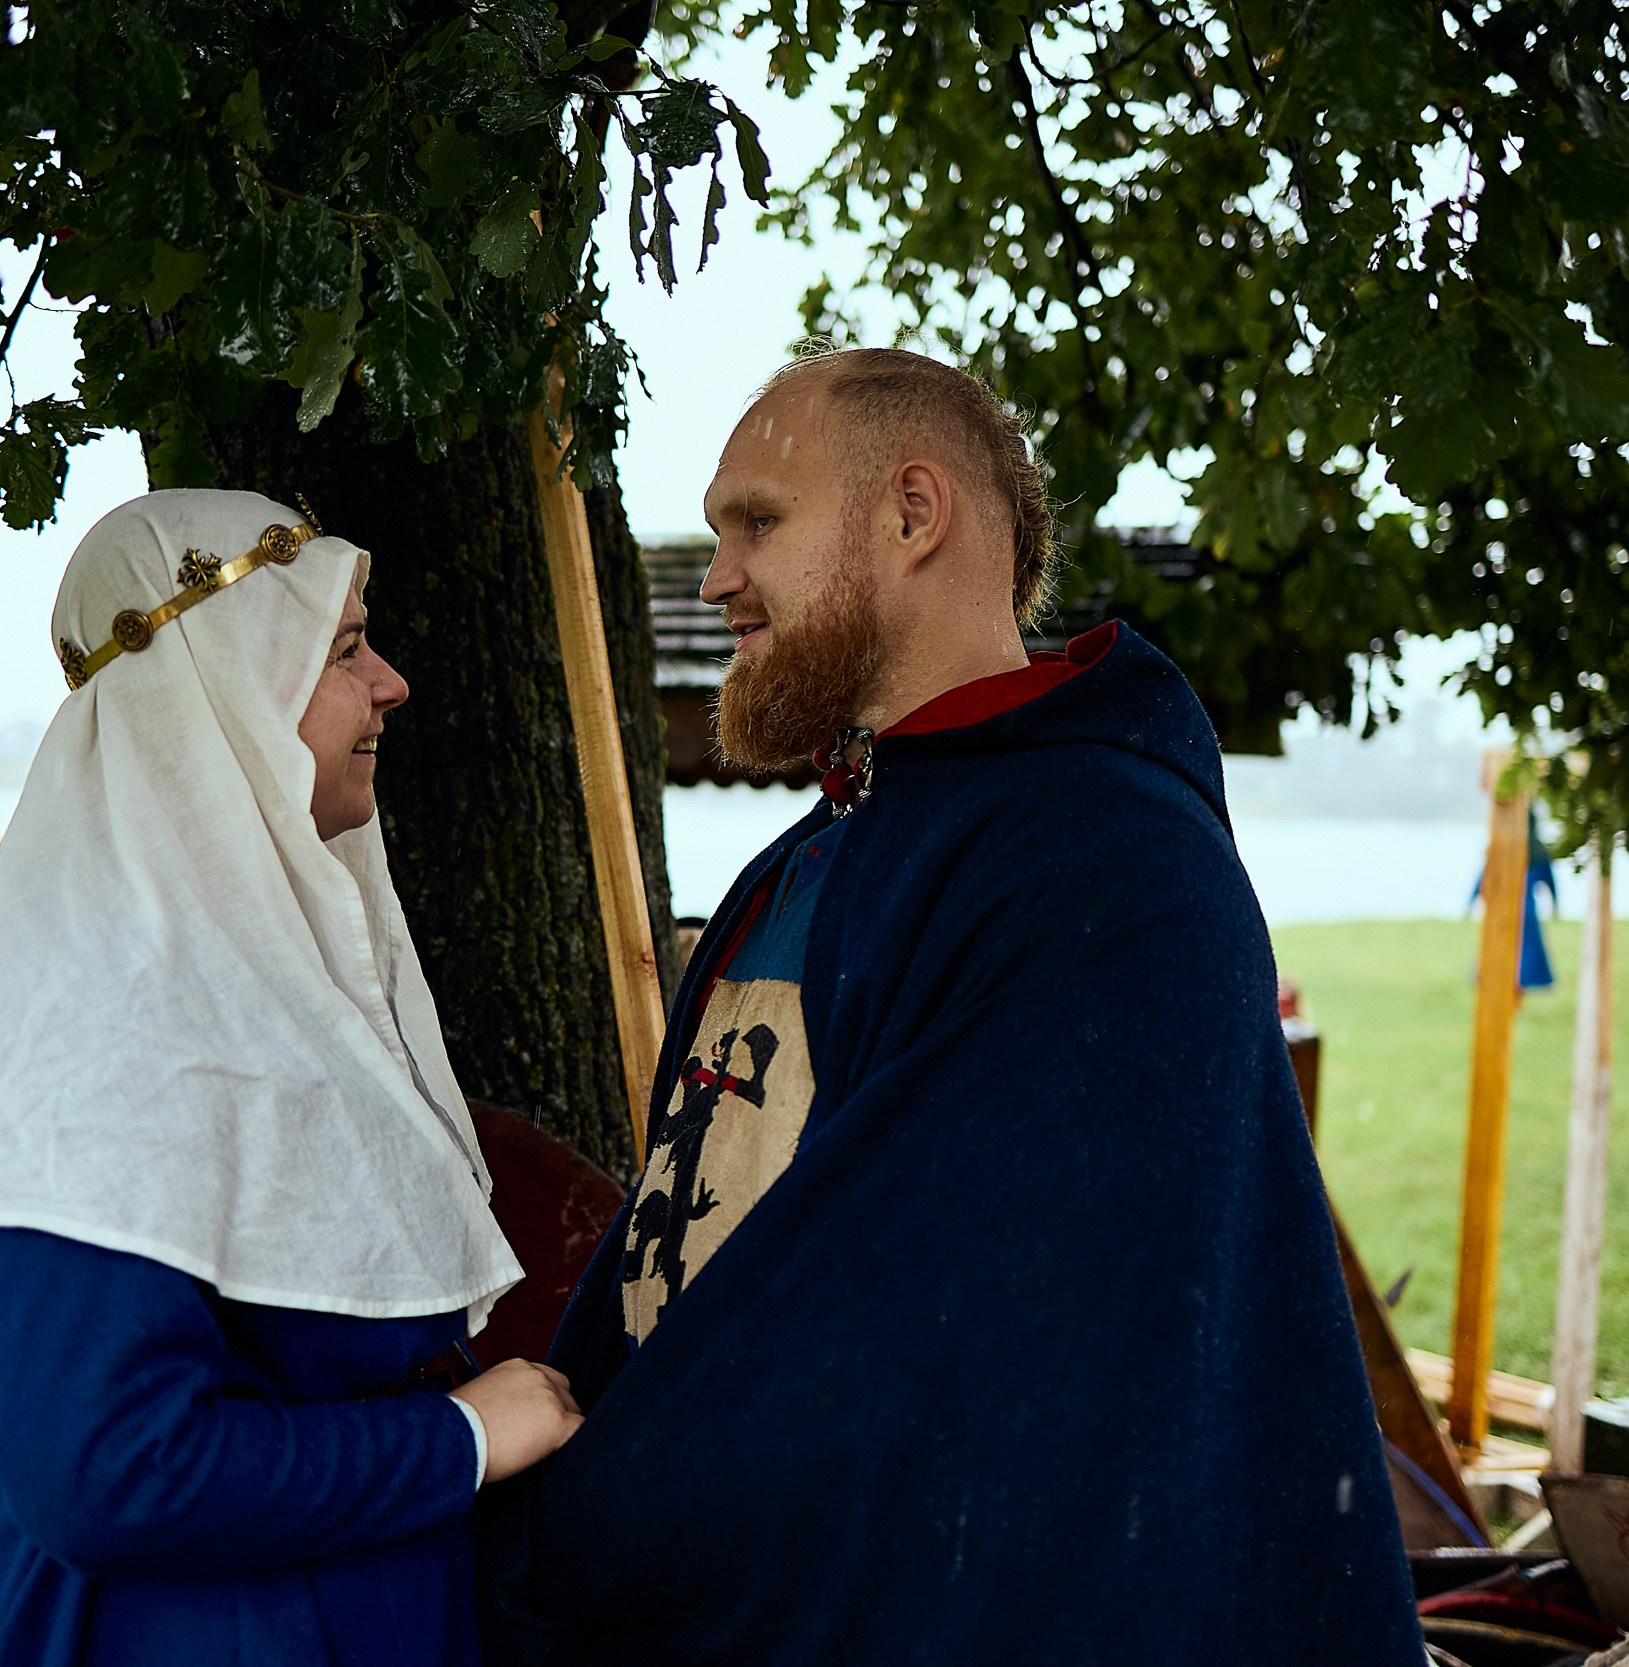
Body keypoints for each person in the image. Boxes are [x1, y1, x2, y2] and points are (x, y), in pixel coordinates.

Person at [480, 350, 1425, 1663]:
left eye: (758, 521)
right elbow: (675, 1256)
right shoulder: (807, 857)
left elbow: (922, 1358)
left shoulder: (1110, 868)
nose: (717, 579)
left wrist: (569, 1533)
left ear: (914, 515)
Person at [0, 490, 583, 1667]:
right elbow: (109, 1470)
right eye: (345, 648)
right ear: (227, 689)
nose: (390, 681)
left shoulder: (239, 959)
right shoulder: (91, 1009)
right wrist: (451, 1440)